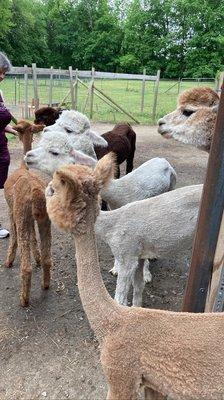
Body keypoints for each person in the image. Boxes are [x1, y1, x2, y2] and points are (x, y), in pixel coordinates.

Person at [0, 52, 18, 238]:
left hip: (1, 147)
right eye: (1, 72)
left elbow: (1, 121)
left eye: (5, 73)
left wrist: (15, 131)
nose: (3, 76)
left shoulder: (0, 92)